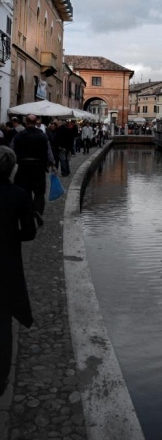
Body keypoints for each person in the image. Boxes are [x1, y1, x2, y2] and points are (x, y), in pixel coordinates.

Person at [0, 146, 37, 395]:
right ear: (12, 168)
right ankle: (1, 378)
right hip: (5, 264)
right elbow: (29, 233)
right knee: (3, 322)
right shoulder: (19, 195)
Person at [11, 114, 55, 215]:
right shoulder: (43, 136)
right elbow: (49, 152)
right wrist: (53, 164)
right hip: (38, 167)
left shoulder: (18, 136)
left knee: (25, 190)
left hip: (22, 167)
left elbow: (12, 150)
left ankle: (27, 212)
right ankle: (38, 212)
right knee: (39, 192)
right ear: (36, 123)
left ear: (26, 122)